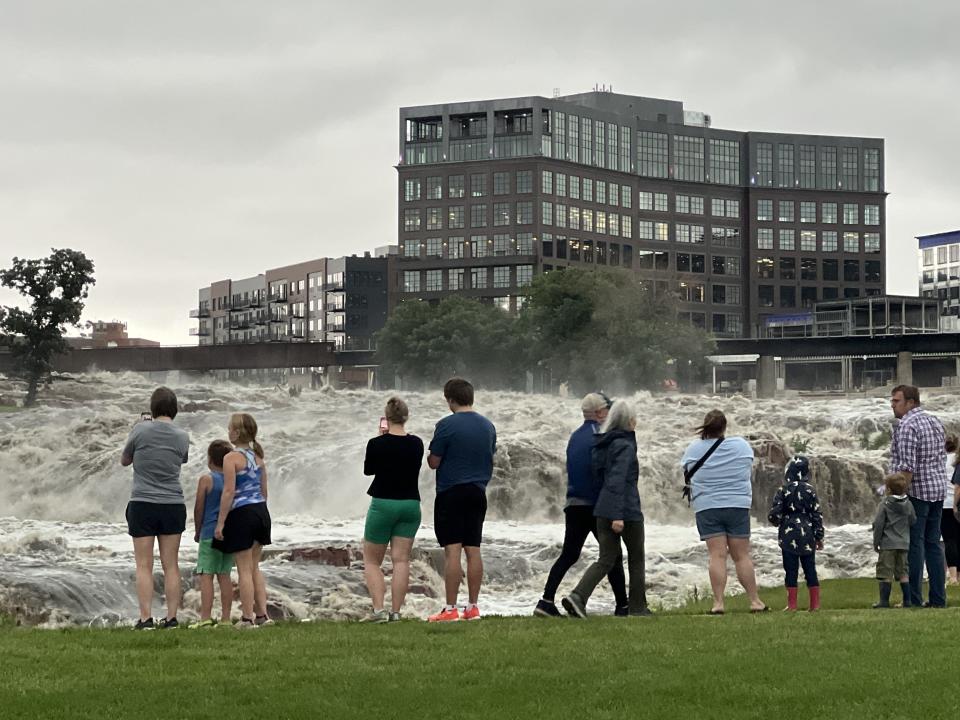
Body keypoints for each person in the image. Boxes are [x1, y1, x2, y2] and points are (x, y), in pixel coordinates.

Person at [535, 393, 628, 618]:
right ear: (599, 413)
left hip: (574, 503)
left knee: (569, 554)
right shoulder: (602, 436)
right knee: (612, 555)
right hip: (595, 505)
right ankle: (622, 606)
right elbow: (604, 473)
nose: (610, 413)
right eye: (608, 409)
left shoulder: (575, 436)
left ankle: (545, 601)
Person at [562, 399, 650, 618]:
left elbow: (601, 479)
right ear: (629, 421)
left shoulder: (602, 443)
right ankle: (638, 608)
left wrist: (608, 510)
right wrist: (618, 515)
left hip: (602, 508)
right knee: (636, 558)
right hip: (625, 510)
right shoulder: (625, 445)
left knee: (606, 559)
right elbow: (617, 480)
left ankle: (578, 597)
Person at [679, 409, 766, 614]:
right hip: (737, 505)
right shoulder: (740, 446)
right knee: (741, 556)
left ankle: (718, 603)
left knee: (716, 556)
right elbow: (748, 464)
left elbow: (687, 471)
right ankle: (754, 601)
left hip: (708, 507)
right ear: (724, 426)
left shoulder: (693, 449)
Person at [426, 378, 497, 623]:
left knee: (453, 551)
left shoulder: (446, 425)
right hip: (478, 492)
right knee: (474, 550)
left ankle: (450, 608)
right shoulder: (488, 426)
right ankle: (473, 607)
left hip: (451, 492)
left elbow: (434, 461)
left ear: (450, 399)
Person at [121, 386, 190, 630]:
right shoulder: (182, 436)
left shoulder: (140, 430)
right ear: (175, 410)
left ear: (152, 408)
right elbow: (181, 459)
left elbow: (125, 460)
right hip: (172, 503)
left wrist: (138, 428)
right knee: (171, 564)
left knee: (144, 564)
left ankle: (146, 618)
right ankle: (171, 618)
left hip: (143, 502)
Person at [361, 397, 424, 623]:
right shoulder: (417, 443)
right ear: (406, 417)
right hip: (410, 504)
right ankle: (396, 612)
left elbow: (369, 470)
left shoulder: (376, 443)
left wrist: (381, 438)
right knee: (401, 561)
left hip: (384, 503)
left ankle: (379, 611)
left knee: (371, 561)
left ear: (386, 418)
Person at [888, 384, 947, 608]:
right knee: (933, 545)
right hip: (938, 491)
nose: (892, 405)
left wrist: (896, 498)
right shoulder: (934, 421)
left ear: (910, 402)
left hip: (917, 494)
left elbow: (906, 469)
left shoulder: (907, 426)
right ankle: (938, 600)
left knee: (914, 545)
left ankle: (913, 599)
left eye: (896, 401)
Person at [212, 413, 272, 629]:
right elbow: (264, 492)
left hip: (242, 513)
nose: (228, 432)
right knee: (255, 567)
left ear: (236, 433)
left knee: (244, 569)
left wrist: (220, 523)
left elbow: (228, 492)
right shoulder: (258, 459)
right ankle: (262, 615)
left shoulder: (231, 458)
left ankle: (247, 618)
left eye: (229, 428)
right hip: (261, 512)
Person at [768, 456, 824, 612]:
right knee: (810, 569)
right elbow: (817, 514)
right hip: (808, 534)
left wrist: (775, 521)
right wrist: (819, 536)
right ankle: (815, 604)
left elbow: (775, 513)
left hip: (789, 534)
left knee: (791, 570)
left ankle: (792, 605)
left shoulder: (783, 490)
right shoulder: (810, 490)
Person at [190, 440, 236, 628]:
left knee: (206, 574)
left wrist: (197, 530)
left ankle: (206, 618)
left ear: (210, 459)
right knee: (224, 575)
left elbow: (199, 507)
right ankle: (226, 619)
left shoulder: (207, 479)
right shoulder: (233, 480)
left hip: (210, 532)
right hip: (230, 533)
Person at [872, 472, 917, 608]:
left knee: (885, 572)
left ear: (888, 489)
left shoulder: (884, 504)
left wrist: (876, 542)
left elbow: (878, 524)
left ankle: (884, 601)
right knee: (903, 572)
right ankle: (907, 601)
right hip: (904, 543)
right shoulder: (908, 504)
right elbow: (913, 520)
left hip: (887, 544)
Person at [942, 435, 960, 585]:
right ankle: (958, 575)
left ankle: (952, 575)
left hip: (945, 503)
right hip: (957, 504)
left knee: (949, 540)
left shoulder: (941, 460)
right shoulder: (957, 461)